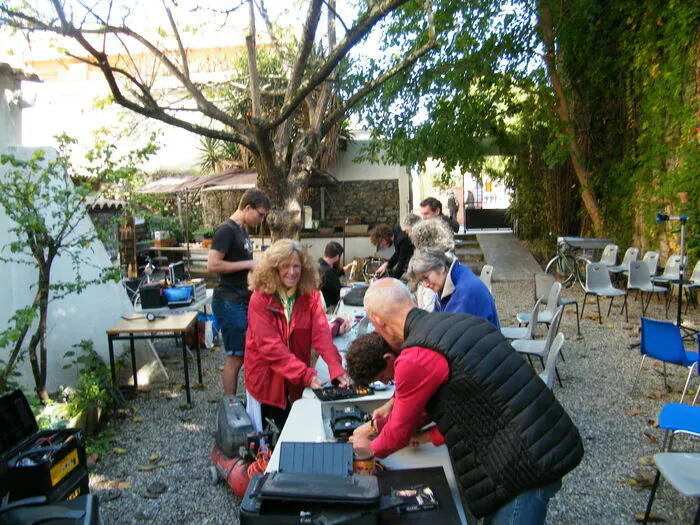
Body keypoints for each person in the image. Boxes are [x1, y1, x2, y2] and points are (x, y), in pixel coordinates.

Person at [346, 279, 583, 525]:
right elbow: (445, 400)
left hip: (525, 461)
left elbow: (398, 434)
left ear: (378, 322)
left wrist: (360, 452)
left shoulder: (414, 356)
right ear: (412, 300)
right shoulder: (456, 320)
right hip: (542, 436)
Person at [245, 239, 349, 429]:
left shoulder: (310, 294)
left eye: (297, 266)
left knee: (295, 424)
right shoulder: (260, 299)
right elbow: (271, 348)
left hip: (294, 376)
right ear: (274, 268)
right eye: (285, 266)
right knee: (270, 435)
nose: (292, 272)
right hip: (267, 378)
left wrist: (335, 366)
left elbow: (322, 334)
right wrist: (306, 375)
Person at [208, 188, 270, 396]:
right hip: (228, 301)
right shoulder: (226, 230)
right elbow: (213, 264)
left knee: (247, 354)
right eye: (260, 215)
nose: (261, 220)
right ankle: (230, 405)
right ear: (247, 207)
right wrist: (249, 263)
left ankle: (245, 400)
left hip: (242, 300)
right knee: (236, 357)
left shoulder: (241, 231)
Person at [408, 248, 500, 328]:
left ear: (441, 267)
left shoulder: (465, 291)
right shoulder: (452, 279)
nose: (425, 285)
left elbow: (449, 336)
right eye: (421, 281)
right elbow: (435, 322)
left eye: (426, 278)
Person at [318, 241, 355, 309]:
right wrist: (347, 286)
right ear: (337, 256)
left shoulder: (319, 264)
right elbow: (339, 290)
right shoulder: (327, 271)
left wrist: (343, 270)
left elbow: (332, 276)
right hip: (331, 306)